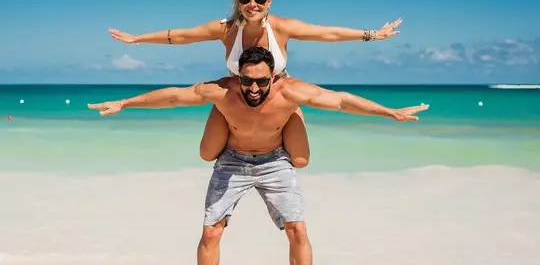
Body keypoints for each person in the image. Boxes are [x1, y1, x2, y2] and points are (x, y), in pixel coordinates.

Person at [88, 46, 428, 265]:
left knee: (297, 229)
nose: (254, 89)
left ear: (273, 76)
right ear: (238, 76)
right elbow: (175, 96)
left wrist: (390, 112)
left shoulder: (290, 91)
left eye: (261, 82)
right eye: (247, 81)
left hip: (275, 160)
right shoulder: (222, 90)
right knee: (211, 232)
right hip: (232, 160)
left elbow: (340, 101)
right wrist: (125, 103)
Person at [107, 0, 403, 168]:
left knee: (300, 161)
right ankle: (240, 141)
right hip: (235, 94)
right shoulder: (225, 30)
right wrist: (138, 39)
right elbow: (181, 36)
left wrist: (373, 34)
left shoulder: (282, 27)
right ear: (238, 0)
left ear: (269, 1)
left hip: (278, 93)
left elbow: (329, 34)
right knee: (207, 154)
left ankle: (277, 128)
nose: (253, 3)